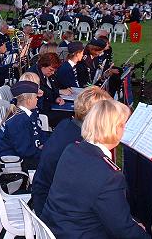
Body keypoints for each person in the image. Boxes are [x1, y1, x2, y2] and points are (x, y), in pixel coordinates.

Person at [40, 99, 150, 238]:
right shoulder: (110, 175)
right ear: (114, 129)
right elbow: (122, 229)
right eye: (123, 125)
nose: (125, 129)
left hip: (56, 227)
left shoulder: (72, 149)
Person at [32, 86, 111, 215]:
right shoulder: (80, 144)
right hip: (51, 208)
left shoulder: (66, 124)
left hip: (43, 194)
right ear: (98, 116)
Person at [0, 80, 48, 170]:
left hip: (21, 154)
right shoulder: (19, 121)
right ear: (28, 101)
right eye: (36, 97)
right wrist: (44, 150)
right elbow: (26, 152)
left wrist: (49, 141)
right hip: (14, 163)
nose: (37, 99)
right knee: (52, 161)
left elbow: (35, 132)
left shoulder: (24, 113)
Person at [28, 53, 71, 127]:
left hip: (49, 105)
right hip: (41, 111)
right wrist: (56, 95)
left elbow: (53, 87)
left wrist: (56, 98)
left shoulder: (46, 73)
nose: (52, 72)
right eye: (51, 70)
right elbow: (44, 92)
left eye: (54, 70)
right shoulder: (32, 76)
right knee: (68, 117)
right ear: (43, 65)